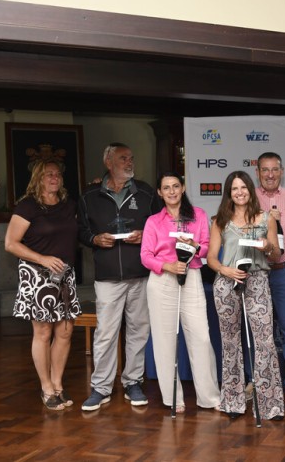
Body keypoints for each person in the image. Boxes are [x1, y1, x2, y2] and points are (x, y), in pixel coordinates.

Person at [78, 142, 160, 411]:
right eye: (123, 158)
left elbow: (160, 226)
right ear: (108, 162)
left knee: (138, 330)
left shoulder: (146, 192)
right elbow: (80, 230)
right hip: (107, 277)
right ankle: (101, 387)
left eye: (131, 158)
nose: (129, 162)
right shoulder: (89, 194)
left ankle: (132, 382)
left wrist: (144, 236)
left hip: (140, 275)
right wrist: (94, 238)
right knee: (105, 333)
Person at [140, 172, 221, 413]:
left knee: (201, 337)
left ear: (183, 187)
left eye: (176, 186)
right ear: (160, 192)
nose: (172, 191)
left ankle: (210, 397)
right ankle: (173, 398)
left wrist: (196, 248)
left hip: (191, 276)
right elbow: (145, 256)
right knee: (165, 341)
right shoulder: (154, 221)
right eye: (167, 188)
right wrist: (166, 265)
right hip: (162, 279)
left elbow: (206, 248)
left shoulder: (198, 215)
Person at [5, 159, 81, 410]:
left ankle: (58, 385)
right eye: (48, 174)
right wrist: (43, 259)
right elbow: (11, 243)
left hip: (64, 275)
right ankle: (46, 387)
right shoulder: (28, 206)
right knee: (44, 332)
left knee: (66, 331)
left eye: (58, 174)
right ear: (38, 178)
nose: (54, 178)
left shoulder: (69, 205)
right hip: (37, 274)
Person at [208, 170, 285, 421]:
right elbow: (210, 257)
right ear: (229, 193)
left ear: (251, 190)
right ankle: (232, 401)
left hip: (258, 280)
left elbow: (275, 255)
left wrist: (268, 246)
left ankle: (270, 405)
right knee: (230, 342)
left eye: (243, 188)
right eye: (234, 189)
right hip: (227, 281)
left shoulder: (265, 218)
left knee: (265, 342)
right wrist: (223, 269)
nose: (239, 192)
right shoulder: (220, 220)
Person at [254, 152, 285, 403]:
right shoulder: (248, 197)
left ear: (282, 171)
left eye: (275, 169)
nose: (270, 174)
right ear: (258, 172)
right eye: (265, 170)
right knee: (257, 329)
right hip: (257, 272)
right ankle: (255, 380)